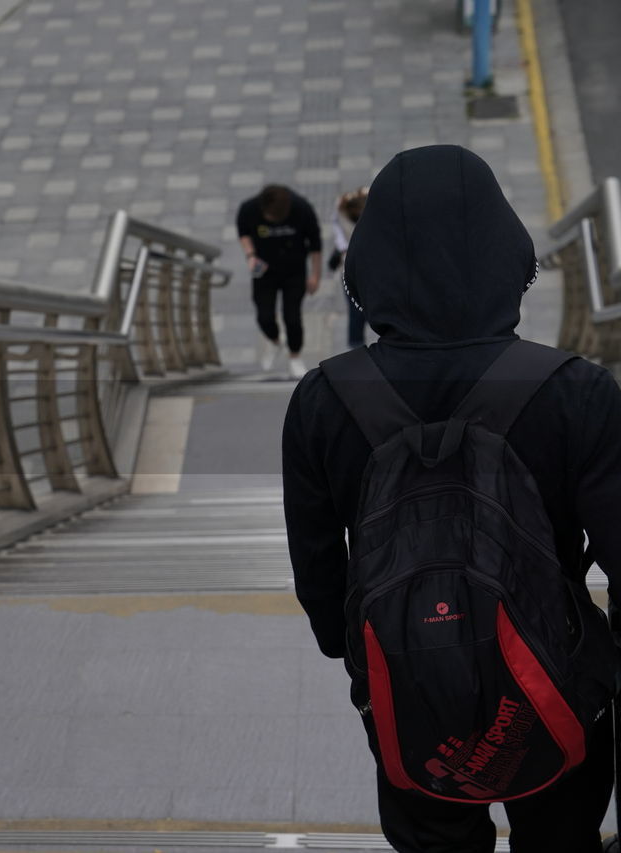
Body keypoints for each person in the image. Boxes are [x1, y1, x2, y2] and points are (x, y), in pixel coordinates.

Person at [282, 145, 621, 852]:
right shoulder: (575, 390)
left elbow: (318, 566)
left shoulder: (324, 399)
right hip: (553, 670)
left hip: (406, 675)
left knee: (434, 836)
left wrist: (349, 646)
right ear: (506, 251)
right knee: (562, 835)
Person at [236, 184, 323, 378]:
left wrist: (315, 275)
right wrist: (250, 255)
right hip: (265, 271)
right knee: (264, 317)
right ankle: (275, 341)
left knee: (292, 317)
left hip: (294, 271)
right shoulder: (249, 208)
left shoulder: (302, 209)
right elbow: (243, 232)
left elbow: (316, 245)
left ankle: (295, 356)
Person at [329, 186, 369, 349]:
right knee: (356, 311)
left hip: (354, 266)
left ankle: (356, 345)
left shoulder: (344, 206)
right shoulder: (344, 215)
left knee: (358, 310)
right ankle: (356, 346)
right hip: (352, 268)